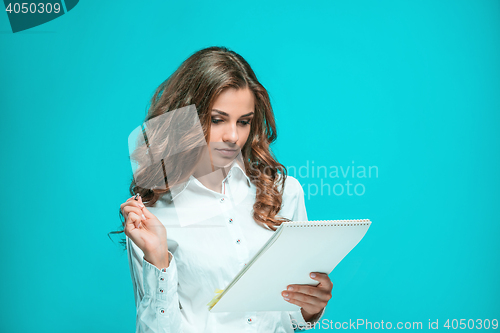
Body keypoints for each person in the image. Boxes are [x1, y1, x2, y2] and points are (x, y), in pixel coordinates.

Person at [118, 46, 332, 332]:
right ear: (185, 118)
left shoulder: (285, 193)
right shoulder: (151, 218)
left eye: (243, 122)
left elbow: (290, 320)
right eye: (217, 119)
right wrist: (158, 259)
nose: (233, 136)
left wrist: (309, 308)